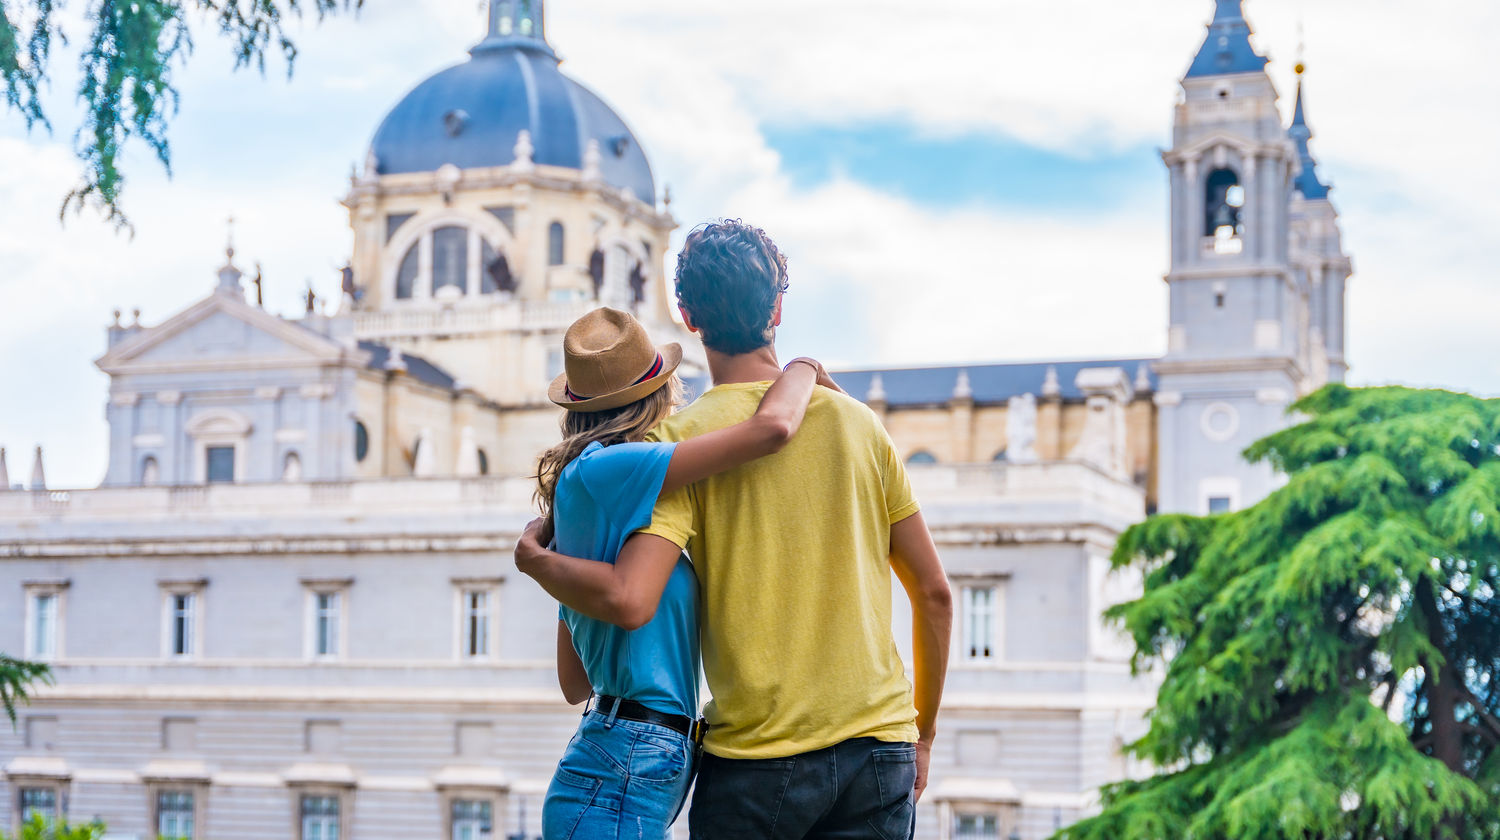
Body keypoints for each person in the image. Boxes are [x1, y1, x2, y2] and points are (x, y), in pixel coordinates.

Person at [517, 220, 954, 840]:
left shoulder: (675, 445)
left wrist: (544, 561)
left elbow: (620, 604)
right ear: (777, 308)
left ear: (687, 316)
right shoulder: (859, 424)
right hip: (880, 751)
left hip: (756, 759)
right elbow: (934, 594)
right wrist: (923, 734)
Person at [526, 305, 838, 840]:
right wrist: (804, 366)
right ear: (655, 398)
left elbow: (574, 682)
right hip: (630, 756)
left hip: (618, 755)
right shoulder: (611, 467)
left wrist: (543, 565)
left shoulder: (581, 500)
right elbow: (771, 429)